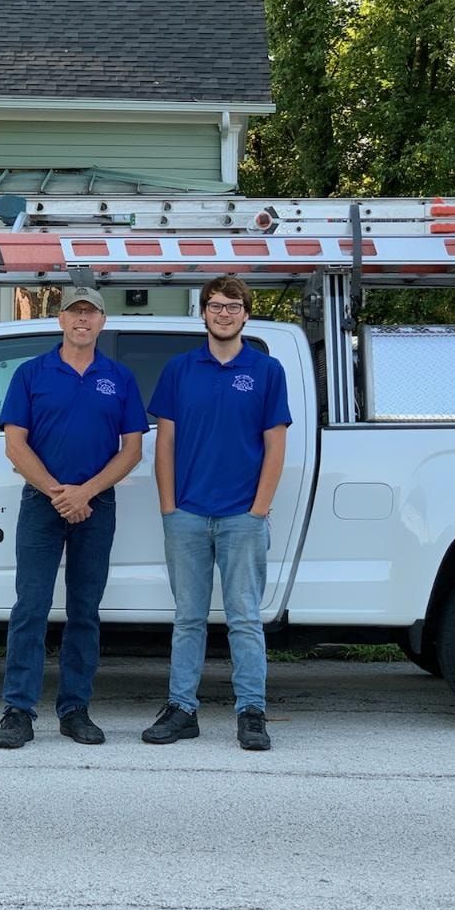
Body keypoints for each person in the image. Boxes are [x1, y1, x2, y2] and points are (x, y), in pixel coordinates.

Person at [0, 286, 148, 748]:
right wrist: (58, 493)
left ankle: (75, 709)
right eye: (75, 312)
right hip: (42, 504)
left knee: (85, 611)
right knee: (31, 608)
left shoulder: (118, 378)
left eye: (92, 313)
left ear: (103, 321)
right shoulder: (31, 373)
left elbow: (133, 449)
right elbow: (15, 444)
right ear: (60, 319)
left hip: (97, 505)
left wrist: (86, 492)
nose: (83, 320)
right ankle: (18, 710)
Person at [141, 275, 291, 751]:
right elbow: (164, 443)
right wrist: (169, 508)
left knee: (245, 618)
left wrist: (258, 510)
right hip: (186, 514)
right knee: (188, 618)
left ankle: (252, 712)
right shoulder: (180, 370)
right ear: (202, 313)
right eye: (214, 306)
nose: (223, 313)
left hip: (242, 518)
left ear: (246, 314)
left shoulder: (266, 371)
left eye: (232, 306)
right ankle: (182, 708)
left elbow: (275, 446)